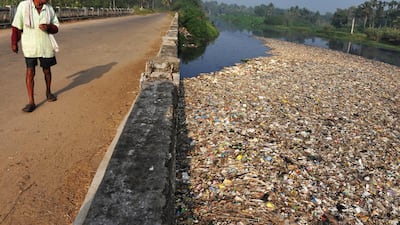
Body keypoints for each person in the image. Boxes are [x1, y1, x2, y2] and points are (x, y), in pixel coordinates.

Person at [11, 0, 60, 112]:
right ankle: (31, 101)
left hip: (45, 45)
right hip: (30, 46)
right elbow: (16, 26)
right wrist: (14, 42)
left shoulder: (48, 8)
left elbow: (56, 26)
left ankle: (48, 92)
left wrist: (48, 27)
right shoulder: (24, 6)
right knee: (30, 71)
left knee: (47, 70)